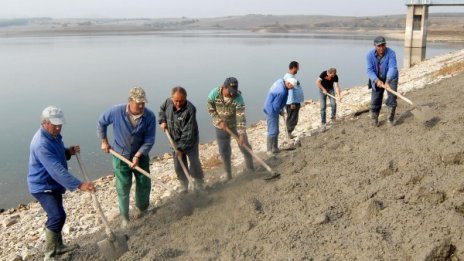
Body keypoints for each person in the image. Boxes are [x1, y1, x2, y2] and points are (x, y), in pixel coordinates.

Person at [28, 106, 95, 261]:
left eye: (60, 124)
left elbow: (57, 153)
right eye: (55, 124)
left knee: (59, 215)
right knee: (57, 215)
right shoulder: (41, 144)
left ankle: (59, 247)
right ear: (45, 123)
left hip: (53, 184)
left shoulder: (54, 136)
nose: (58, 127)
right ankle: (49, 255)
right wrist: (79, 185)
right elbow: (56, 169)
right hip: (42, 186)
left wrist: (67, 151)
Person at [97, 86, 156, 228]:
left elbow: (149, 139)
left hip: (140, 156)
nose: (141, 105)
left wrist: (138, 155)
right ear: (130, 101)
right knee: (123, 186)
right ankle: (125, 216)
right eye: (138, 102)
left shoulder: (149, 116)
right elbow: (101, 122)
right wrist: (104, 141)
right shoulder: (116, 111)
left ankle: (143, 209)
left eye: (143, 103)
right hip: (120, 155)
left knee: (144, 182)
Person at [159, 86, 205, 193]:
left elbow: (188, 133)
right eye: (176, 101)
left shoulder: (190, 110)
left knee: (194, 162)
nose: (178, 104)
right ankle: (184, 185)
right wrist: (163, 121)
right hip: (174, 140)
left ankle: (199, 184)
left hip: (190, 141)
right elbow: (161, 110)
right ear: (172, 98)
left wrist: (180, 148)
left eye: (181, 101)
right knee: (178, 165)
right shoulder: (167, 102)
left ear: (186, 98)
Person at [207, 77, 254, 181]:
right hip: (220, 127)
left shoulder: (239, 98)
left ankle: (250, 168)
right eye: (230, 91)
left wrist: (241, 134)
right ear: (224, 87)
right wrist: (219, 121)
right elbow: (211, 110)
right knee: (224, 150)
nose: (232, 94)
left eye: (234, 91)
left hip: (235, 125)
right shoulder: (214, 94)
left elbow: (240, 116)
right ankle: (228, 174)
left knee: (245, 146)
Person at [367, 36, 399, 126]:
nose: (381, 48)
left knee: (392, 97)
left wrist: (387, 81)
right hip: (376, 77)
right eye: (379, 46)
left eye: (383, 45)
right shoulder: (369, 55)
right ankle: (374, 119)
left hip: (391, 77)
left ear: (385, 45)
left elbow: (392, 68)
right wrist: (376, 80)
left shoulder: (391, 53)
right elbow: (369, 70)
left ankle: (390, 119)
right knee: (375, 99)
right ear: (375, 46)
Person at [264, 78, 297, 155]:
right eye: (292, 87)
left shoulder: (281, 81)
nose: (292, 88)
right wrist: (280, 111)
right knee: (273, 131)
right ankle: (269, 151)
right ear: (288, 83)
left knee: (275, 130)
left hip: (270, 106)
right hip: (271, 110)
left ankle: (275, 148)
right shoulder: (281, 91)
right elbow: (276, 105)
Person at [284, 61, 304, 138]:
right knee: (292, 118)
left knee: (293, 117)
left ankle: (289, 133)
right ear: (293, 67)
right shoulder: (289, 77)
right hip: (293, 102)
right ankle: (288, 133)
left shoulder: (291, 77)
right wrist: (292, 102)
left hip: (295, 101)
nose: (298, 69)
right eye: (297, 68)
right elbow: (290, 89)